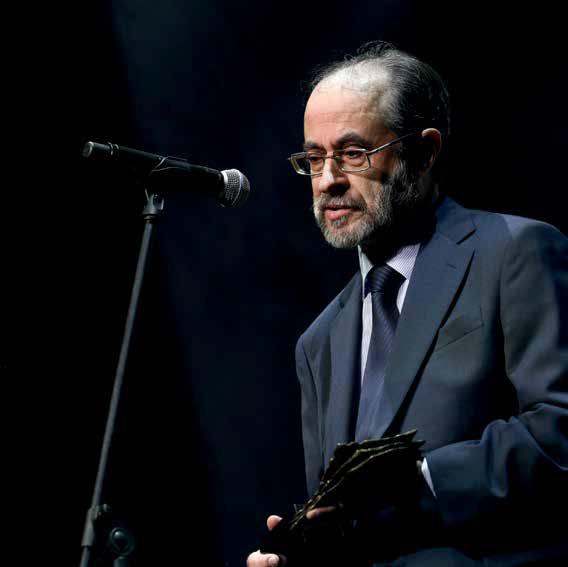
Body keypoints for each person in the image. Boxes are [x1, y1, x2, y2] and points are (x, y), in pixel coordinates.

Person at [247, 42, 568, 566]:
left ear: (423, 153)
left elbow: (560, 430)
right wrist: (301, 553)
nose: (328, 180)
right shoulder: (318, 343)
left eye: (353, 153)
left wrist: (420, 483)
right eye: (314, 159)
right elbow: (348, 524)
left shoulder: (515, 251)